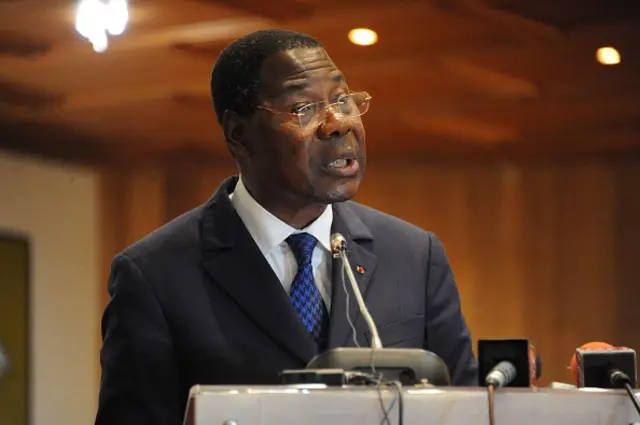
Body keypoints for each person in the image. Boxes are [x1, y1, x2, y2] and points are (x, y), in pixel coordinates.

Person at [95, 29, 478, 425]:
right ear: (238, 134)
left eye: (342, 99)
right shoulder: (156, 276)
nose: (337, 123)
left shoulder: (414, 256)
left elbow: (468, 410)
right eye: (304, 109)